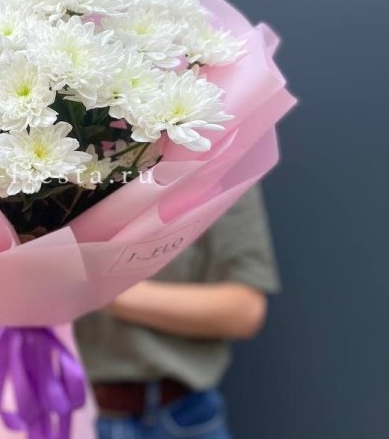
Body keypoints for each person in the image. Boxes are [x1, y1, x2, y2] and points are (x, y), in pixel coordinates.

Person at [75, 184, 279, 439]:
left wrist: (104, 292)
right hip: (63, 413)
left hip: (180, 416)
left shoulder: (218, 169)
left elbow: (244, 310)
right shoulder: (56, 174)